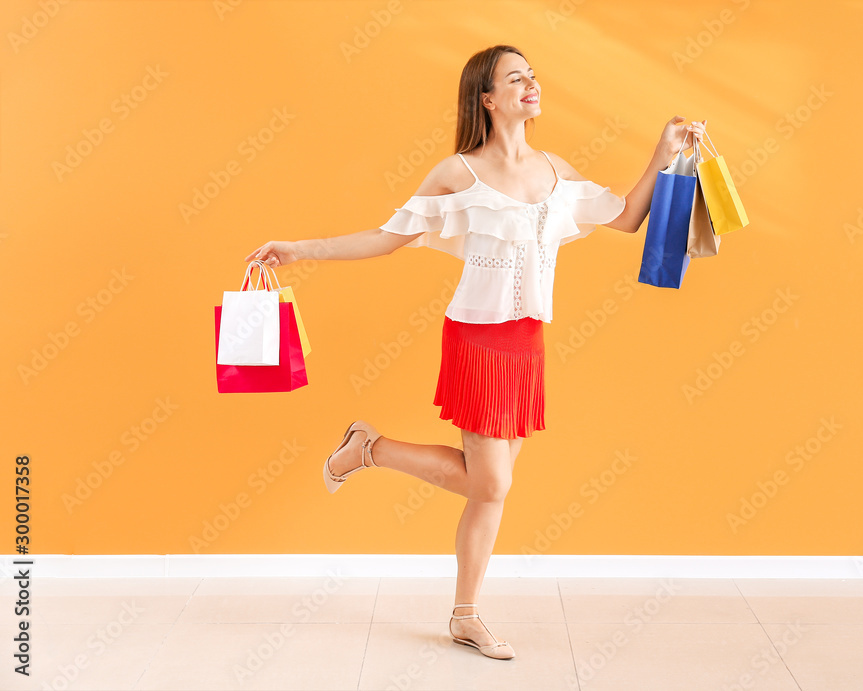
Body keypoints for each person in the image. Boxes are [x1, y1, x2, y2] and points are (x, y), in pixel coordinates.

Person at [245, 44, 705, 660]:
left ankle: (461, 608)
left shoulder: (554, 170)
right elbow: (387, 238)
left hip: (527, 343)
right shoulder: (457, 173)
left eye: (532, 76)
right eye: (516, 79)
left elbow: (624, 216)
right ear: (487, 99)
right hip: (477, 339)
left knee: (493, 487)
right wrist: (298, 249)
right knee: (491, 484)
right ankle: (371, 452)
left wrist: (664, 151)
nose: (530, 85)